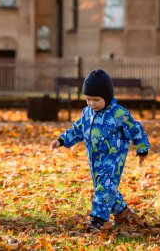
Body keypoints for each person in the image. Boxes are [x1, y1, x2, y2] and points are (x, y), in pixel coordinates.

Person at [50, 69, 150, 232]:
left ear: (107, 96)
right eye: (88, 99)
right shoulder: (87, 113)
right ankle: (123, 212)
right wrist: (61, 140)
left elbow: (135, 128)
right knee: (105, 187)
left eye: (96, 100)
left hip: (113, 159)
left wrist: (142, 148)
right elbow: (77, 129)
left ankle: (98, 220)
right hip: (94, 159)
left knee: (105, 187)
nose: (92, 103)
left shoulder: (118, 114)